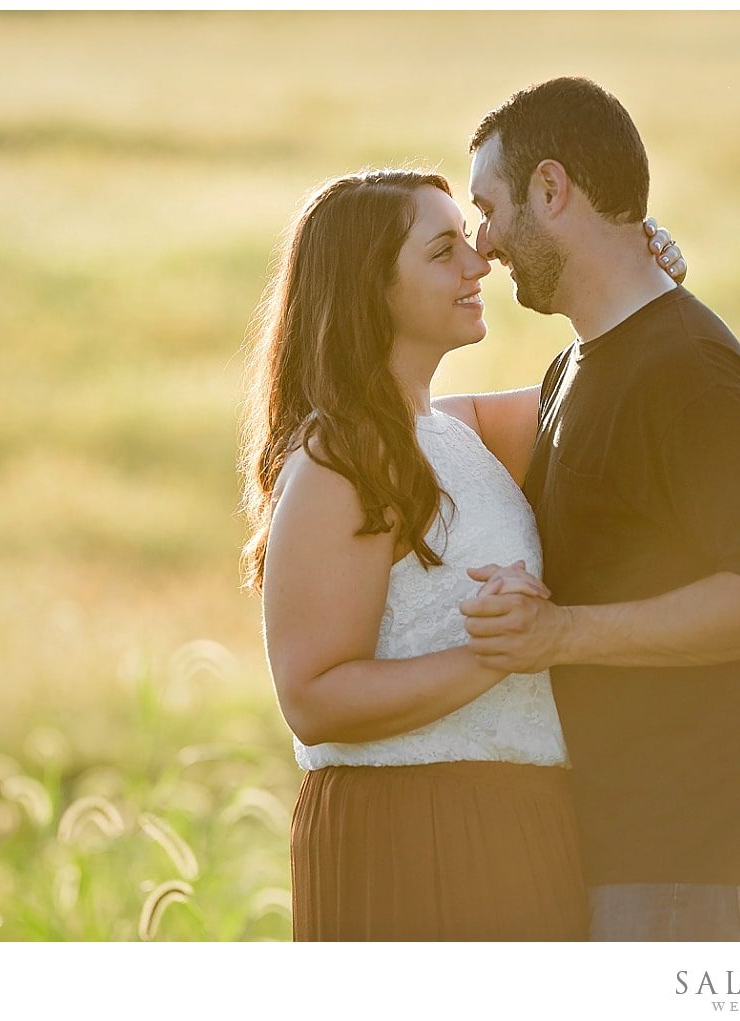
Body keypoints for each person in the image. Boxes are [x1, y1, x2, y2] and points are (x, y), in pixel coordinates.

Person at [240, 168, 684, 940]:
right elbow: (312, 695)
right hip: (409, 828)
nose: (480, 264)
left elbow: (608, 390)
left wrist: (638, 286)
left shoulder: (456, 431)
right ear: (367, 288)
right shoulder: (340, 456)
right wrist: (501, 654)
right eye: (445, 250)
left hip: (525, 821)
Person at [451, 77, 740, 941]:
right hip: (633, 850)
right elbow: (439, 427)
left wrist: (562, 634)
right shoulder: (580, 366)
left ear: (551, 190)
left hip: (696, 855)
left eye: (489, 207)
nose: (484, 242)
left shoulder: (686, 370)